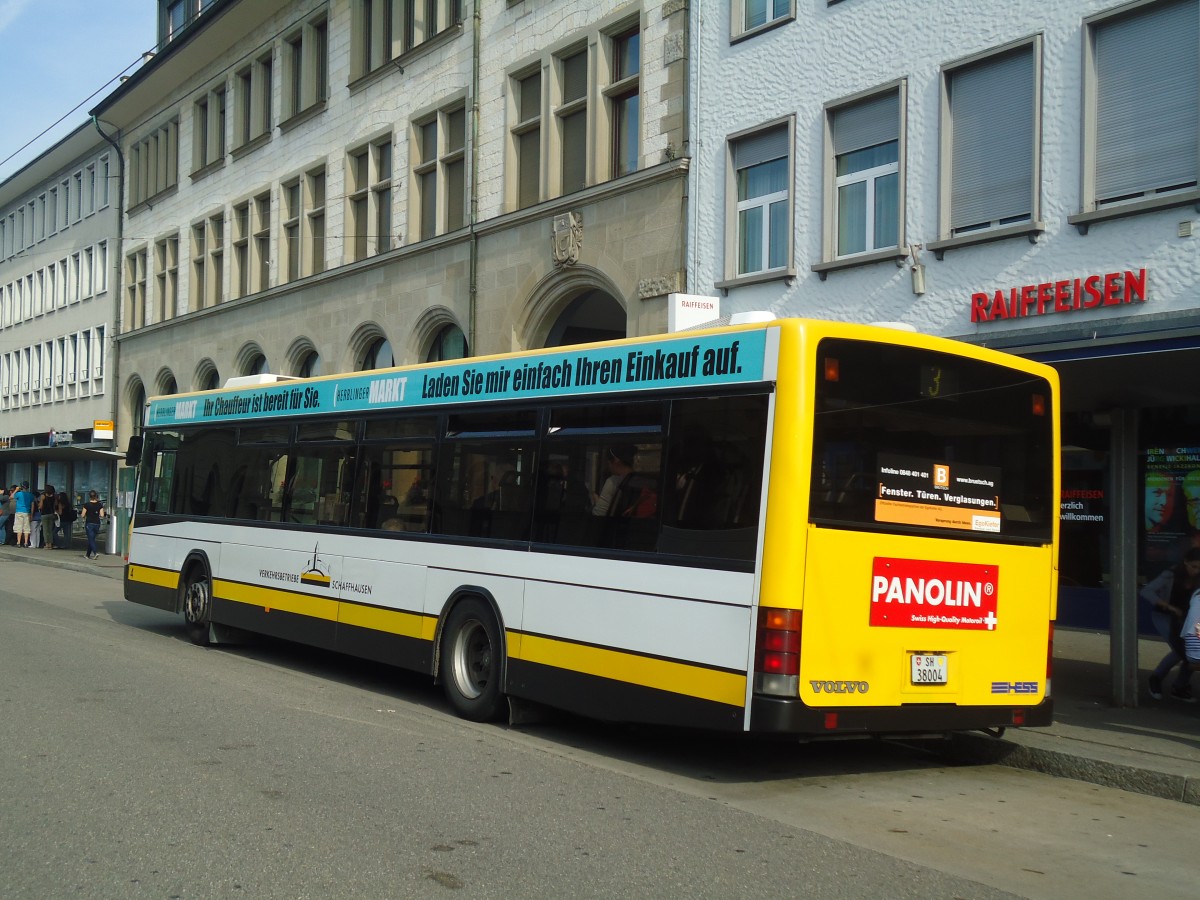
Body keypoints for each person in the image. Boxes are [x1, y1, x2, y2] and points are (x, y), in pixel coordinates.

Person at [1139, 547, 1200, 702]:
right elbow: (1147, 591)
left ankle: (1179, 686)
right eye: (1194, 566)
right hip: (1164, 616)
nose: (1196, 571)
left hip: (1187, 618)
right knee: (1180, 651)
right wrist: (1168, 606)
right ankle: (1156, 679)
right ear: (1185, 562)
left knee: (1192, 653)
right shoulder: (1171, 575)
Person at [591, 445, 636, 517]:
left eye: (609, 463)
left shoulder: (613, 481)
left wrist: (598, 503)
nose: (609, 467)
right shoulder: (641, 480)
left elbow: (599, 515)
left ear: (616, 461)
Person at [79, 491, 106, 560]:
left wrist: (86, 515)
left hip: (89, 523)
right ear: (96, 496)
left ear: (89, 496)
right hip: (97, 523)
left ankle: (95, 552)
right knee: (92, 539)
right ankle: (87, 555)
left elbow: (82, 515)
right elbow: (102, 515)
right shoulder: (99, 505)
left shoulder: (87, 505)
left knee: (91, 539)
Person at [13, 482, 34, 548]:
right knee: (26, 528)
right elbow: (32, 505)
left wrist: (16, 490)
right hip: (27, 512)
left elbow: (11, 497)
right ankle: (26, 543)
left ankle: (18, 543)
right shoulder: (31, 495)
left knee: (19, 527)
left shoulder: (19, 494)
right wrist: (31, 514)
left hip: (19, 511)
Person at [39, 484, 57, 550]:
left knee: (45, 530)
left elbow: (41, 506)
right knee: (50, 530)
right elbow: (55, 505)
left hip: (44, 514)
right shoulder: (54, 497)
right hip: (51, 514)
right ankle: (50, 544)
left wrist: (41, 500)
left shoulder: (43, 496)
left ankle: (47, 544)